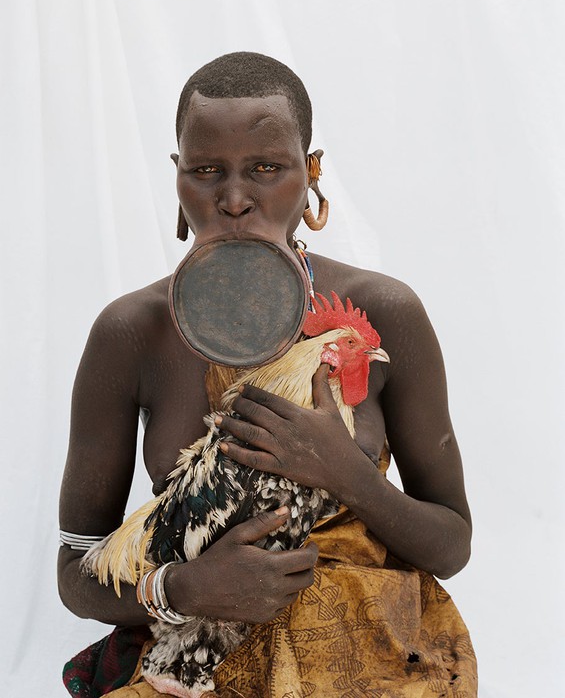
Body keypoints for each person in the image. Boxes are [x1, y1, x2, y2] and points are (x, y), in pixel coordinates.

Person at [59, 52, 477, 697]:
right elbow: (74, 569)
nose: (232, 199)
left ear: (309, 173)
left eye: (266, 168)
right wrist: (184, 588)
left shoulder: (385, 311)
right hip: (197, 665)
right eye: (205, 171)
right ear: (177, 177)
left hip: (375, 665)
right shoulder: (130, 332)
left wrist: (342, 472)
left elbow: (451, 545)